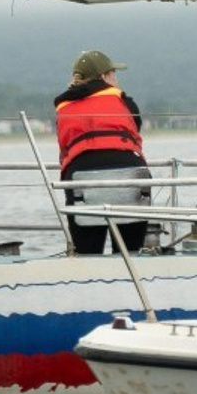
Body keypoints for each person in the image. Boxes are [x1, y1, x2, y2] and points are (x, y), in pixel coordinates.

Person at [54, 49, 150, 255]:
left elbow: (64, 146)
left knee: (88, 254)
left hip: (82, 178)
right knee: (130, 253)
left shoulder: (63, 107)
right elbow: (135, 128)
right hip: (131, 174)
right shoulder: (124, 100)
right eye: (113, 74)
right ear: (105, 77)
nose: (116, 79)